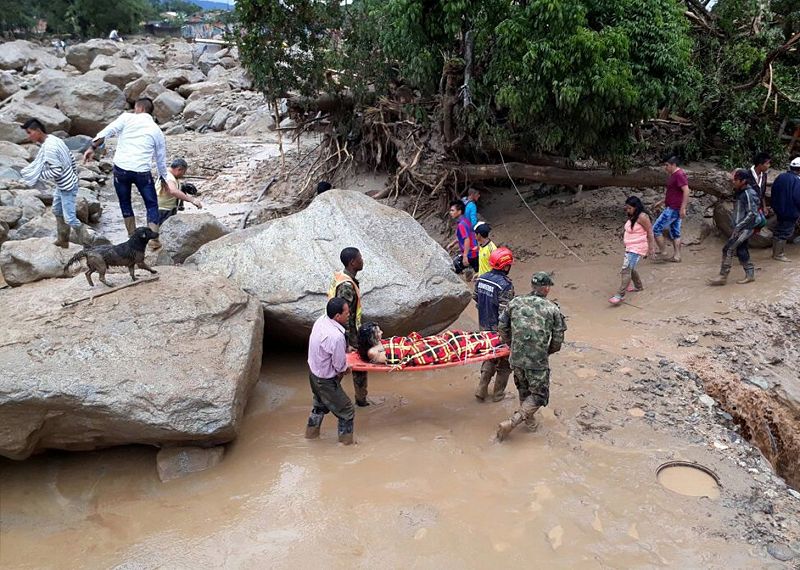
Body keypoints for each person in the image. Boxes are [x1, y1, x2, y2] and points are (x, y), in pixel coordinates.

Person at [84, 97, 176, 236]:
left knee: (125, 202)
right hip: (142, 172)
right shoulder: (156, 130)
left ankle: (132, 236)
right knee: (151, 205)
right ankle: (153, 240)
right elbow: (160, 159)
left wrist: (92, 148)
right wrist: (163, 178)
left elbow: (107, 132)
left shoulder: (126, 118)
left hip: (121, 170)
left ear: (139, 108)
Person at [495, 271, 566, 442]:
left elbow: (502, 327)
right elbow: (557, 340)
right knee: (540, 395)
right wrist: (544, 352)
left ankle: (530, 422)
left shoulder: (515, 302)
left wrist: (513, 345)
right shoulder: (552, 308)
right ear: (547, 288)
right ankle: (513, 422)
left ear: (533, 286)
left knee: (523, 389)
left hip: (516, 357)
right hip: (537, 360)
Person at [20, 119, 91, 246]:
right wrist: (74, 174)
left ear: (38, 131)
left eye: (29, 132)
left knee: (70, 218)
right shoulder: (53, 139)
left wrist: (39, 175)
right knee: (57, 210)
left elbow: (56, 171)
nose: (28, 136)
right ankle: (63, 240)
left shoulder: (50, 148)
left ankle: (87, 244)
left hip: (67, 185)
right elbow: (70, 157)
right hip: (64, 183)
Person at [305, 297, 355, 445]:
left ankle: (310, 437)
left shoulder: (321, 320)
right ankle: (346, 446)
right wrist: (346, 369)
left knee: (319, 406)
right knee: (347, 411)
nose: (349, 315)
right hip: (325, 380)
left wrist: (345, 349)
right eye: (347, 313)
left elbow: (327, 348)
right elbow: (339, 366)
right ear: (337, 316)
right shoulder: (336, 337)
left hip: (314, 374)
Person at [328, 247, 370, 407]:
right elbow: (342, 316)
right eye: (360, 258)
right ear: (353, 262)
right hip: (348, 335)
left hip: (349, 333)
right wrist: (346, 343)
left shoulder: (343, 278)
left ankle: (359, 400)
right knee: (349, 367)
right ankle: (328, 398)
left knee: (350, 367)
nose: (362, 260)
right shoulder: (346, 285)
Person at [357, 323, 503, 368]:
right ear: (371, 337)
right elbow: (399, 357)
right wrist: (409, 347)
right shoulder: (372, 352)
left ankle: (494, 336)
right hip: (416, 351)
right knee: (457, 345)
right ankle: (498, 339)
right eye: (378, 332)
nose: (382, 332)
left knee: (453, 336)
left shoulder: (376, 346)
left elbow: (395, 346)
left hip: (416, 345)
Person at [473, 247, 515, 402]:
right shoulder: (505, 285)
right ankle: (498, 394)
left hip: (483, 327)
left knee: (489, 356)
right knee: (504, 362)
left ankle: (481, 388)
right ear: (505, 266)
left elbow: (476, 298)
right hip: (499, 330)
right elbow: (506, 313)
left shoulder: (481, 278)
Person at [708, 170, 761, 286]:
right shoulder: (742, 192)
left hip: (745, 228)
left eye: (736, 180)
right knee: (741, 250)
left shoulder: (748, 193)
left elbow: (752, 213)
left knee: (728, 249)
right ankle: (750, 275)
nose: (734, 182)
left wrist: (738, 226)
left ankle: (723, 276)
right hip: (743, 226)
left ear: (743, 181)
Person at [609, 196, 656, 305]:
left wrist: (651, 248)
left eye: (630, 208)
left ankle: (619, 295)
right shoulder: (633, 215)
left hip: (637, 247)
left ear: (636, 207)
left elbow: (650, 232)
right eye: (627, 208)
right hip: (630, 247)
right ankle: (639, 287)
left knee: (626, 269)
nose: (628, 210)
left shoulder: (643, 217)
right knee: (631, 268)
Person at [150, 158, 203, 250]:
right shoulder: (170, 177)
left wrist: (182, 186)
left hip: (163, 207)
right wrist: (191, 200)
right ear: (179, 169)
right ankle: (160, 251)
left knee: (161, 232)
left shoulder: (167, 173)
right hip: (163, 210)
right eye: (183, 172)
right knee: (162, 232)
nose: (183, 175)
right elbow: (173, 191)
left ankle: (160, 249)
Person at [652, 156, 690, 262]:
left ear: (673, 165)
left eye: (667, 165)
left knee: (656, 228)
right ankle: (677, 256)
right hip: (674, 207)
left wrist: (683, 208)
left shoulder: (679, 174)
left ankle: (663, 252)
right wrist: (662, 201)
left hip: (674, 209)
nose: (665, 167)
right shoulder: (674, 175)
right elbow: (674, 193)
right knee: (675, 232)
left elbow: (686, 191)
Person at [769, 157, 800, 262]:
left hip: (779, 210)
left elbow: (774, 192)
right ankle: (779, 254)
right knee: (785, 232)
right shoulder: (797, 180)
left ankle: (775, 253)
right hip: (791, 211)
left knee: (778, 231)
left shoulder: (780, 177)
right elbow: (797, 197)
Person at [449, 199, 479, 274]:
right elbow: (464, 236)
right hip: (474, 252)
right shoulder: (465, 221)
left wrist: (465, 256)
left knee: (454, 269)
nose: (450, 213)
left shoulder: (461, 224)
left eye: (452, 210)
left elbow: (467, 239)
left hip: (471, 254)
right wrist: (453, 243)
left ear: (459, 211)